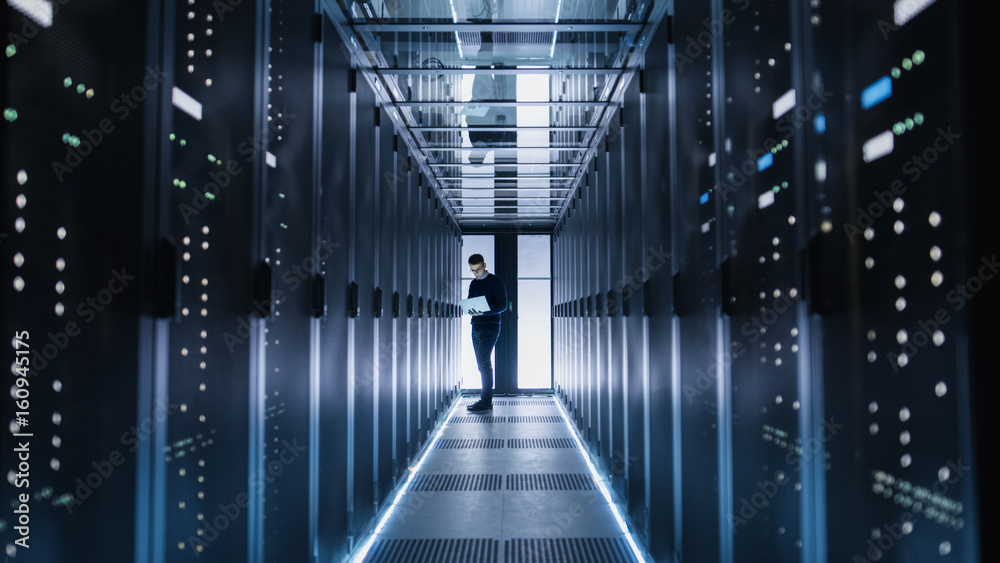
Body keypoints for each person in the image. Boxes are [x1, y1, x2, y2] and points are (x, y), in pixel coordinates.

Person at [465, 254, 507, 412]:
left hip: (490, 325)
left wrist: (483, 311)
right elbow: (470, 300)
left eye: (478, 269)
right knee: (481, 363)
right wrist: (470, 308)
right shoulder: (473, 283)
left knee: (484, 363)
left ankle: (486, 401)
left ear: (484, 265)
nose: (476, 273)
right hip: (475, 325)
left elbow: (502, 305)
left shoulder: (496, 281)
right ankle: (485, 399)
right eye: (473, 271)